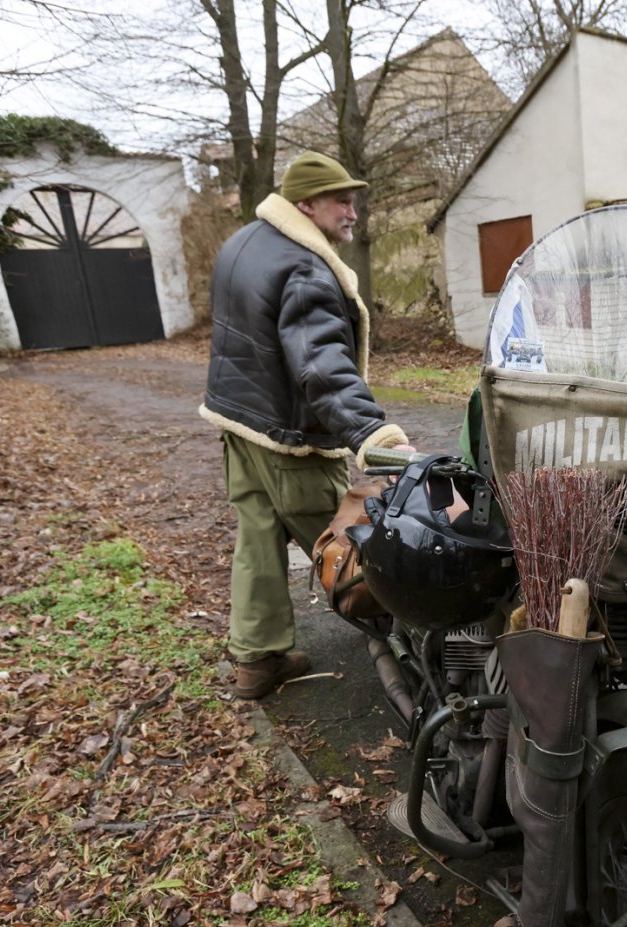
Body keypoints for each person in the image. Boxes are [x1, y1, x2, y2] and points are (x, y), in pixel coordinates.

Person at [199, 151, 412, 700]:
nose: (352, 212)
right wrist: (373, 435)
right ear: (306, 205)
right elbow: (322, 367)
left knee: (257, 542)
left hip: (240, 425)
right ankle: (414, 649)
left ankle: (257, 660)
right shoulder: (304, 268)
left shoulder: (243, 243)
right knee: (357, 547)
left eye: (353, 200)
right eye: (341, 201)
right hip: (287, 441)